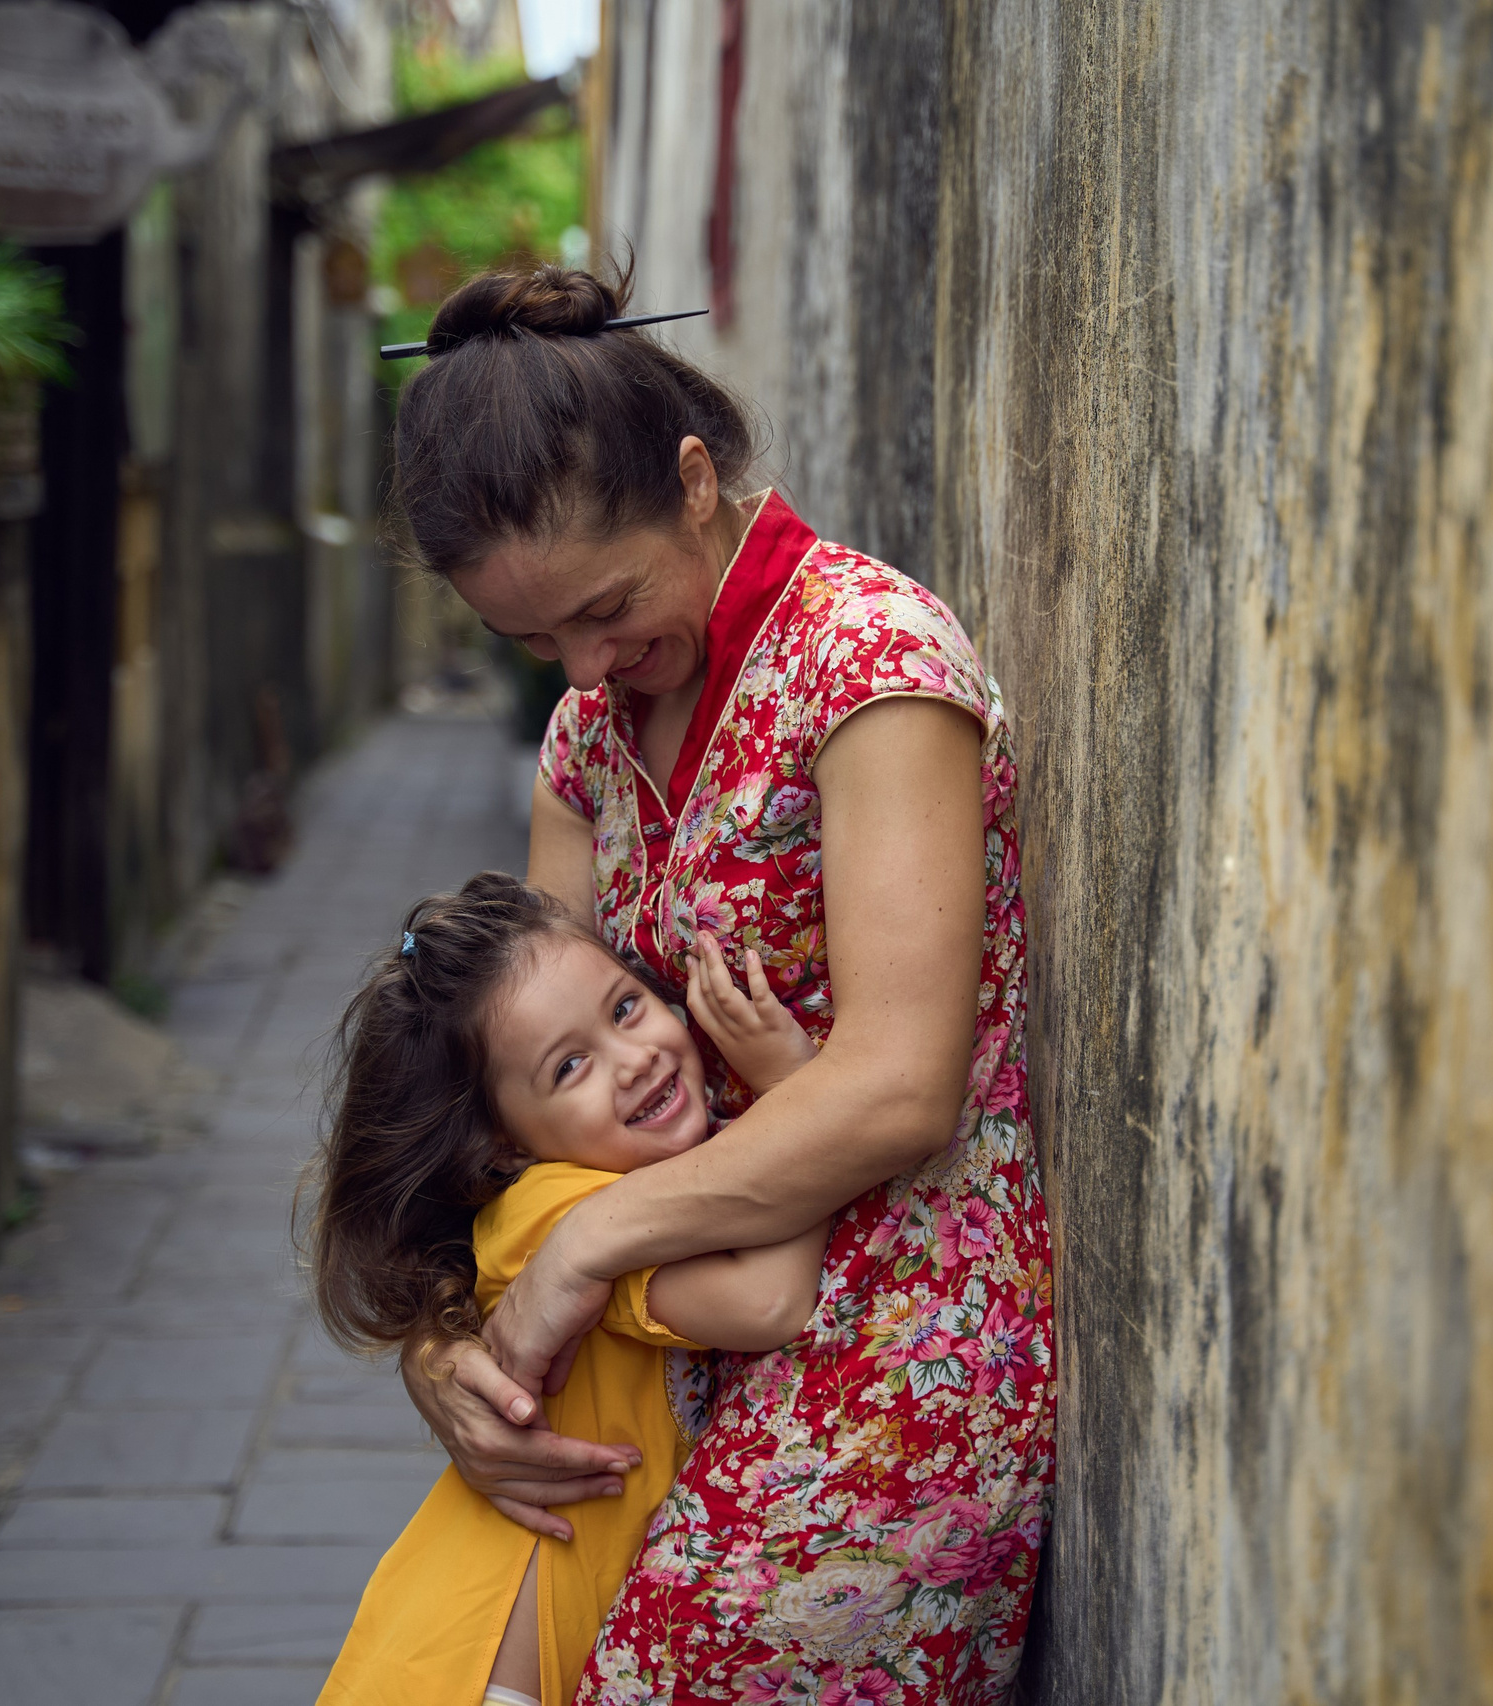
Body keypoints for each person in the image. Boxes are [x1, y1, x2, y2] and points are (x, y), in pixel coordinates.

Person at [391, 262, 1055, 1703]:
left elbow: (900, 1088)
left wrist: (582, 1248)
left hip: (894, 1357)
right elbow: (521, 1075)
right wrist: (444, 1345)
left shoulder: (868, 663)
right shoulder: (587, 739)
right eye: (534, 641)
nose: (584, 666)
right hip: (671, 1348)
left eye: (606, 606)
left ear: (694, 481)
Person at [309, 873, 829, 1706]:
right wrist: (798, 1097)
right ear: (505, 1146)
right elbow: (769, 1302)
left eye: (625, 1008)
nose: (634, 1058)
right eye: (570, 1066)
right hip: (482, 1665)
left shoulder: (616, 1184)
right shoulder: (558, 1208)